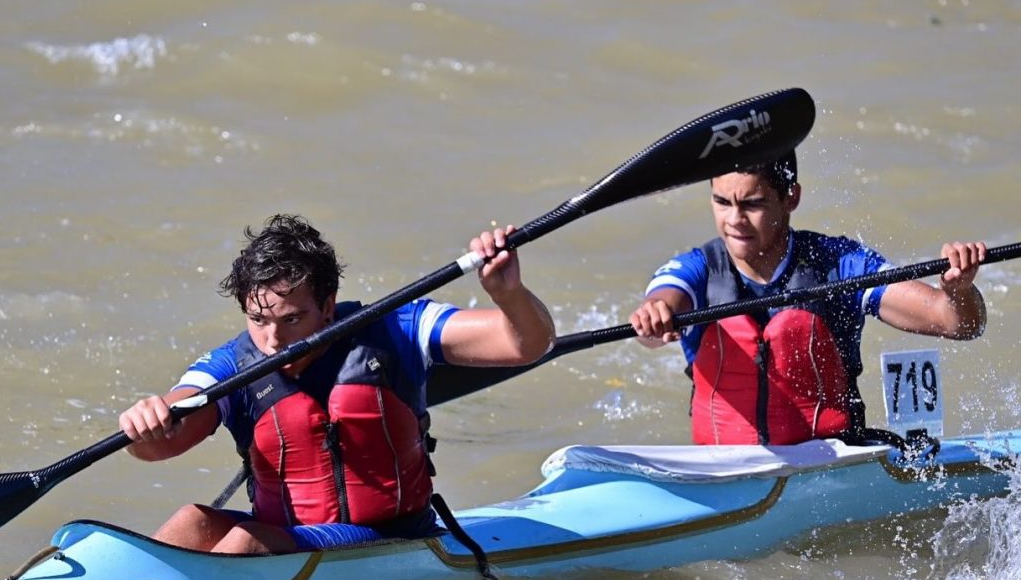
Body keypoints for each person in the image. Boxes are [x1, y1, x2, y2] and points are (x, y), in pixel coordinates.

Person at [119, 214, 554, 554]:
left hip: (391, 537)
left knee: (246, 542)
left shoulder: (397, 329)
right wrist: (148, 422)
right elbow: (158, 446)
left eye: (292, 319)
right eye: (258, 320)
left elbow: (528, 345)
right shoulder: (232, 364)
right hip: (285, 540)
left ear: (327, 306)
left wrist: (507, 293)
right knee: (192, 522)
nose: (273, 340)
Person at [628, 150, 987, 445]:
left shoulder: (838, 264)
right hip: (725, 471)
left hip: (830, 467)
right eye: (721, 202)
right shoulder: (697, 269)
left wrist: (957, 291)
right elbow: (660, 312)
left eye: (752, 204)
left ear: (791, 197)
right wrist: (653, 317)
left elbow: (958, 324)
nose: (734, 219)